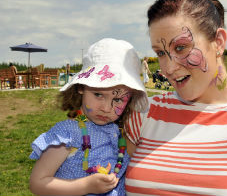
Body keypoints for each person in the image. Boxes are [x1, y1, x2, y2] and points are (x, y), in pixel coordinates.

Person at [124, 0, 227, 196]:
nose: (168, 68)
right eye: (161, 53)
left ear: (218, 42)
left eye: (181, 47)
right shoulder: (143, 112)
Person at [29, 38, 148, 196]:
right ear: (81, 87)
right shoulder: (68, 133)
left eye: (118, 99)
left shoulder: (122, 131)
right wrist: (85, 186)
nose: (106, 108)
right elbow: (38, 183)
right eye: (98, 94)